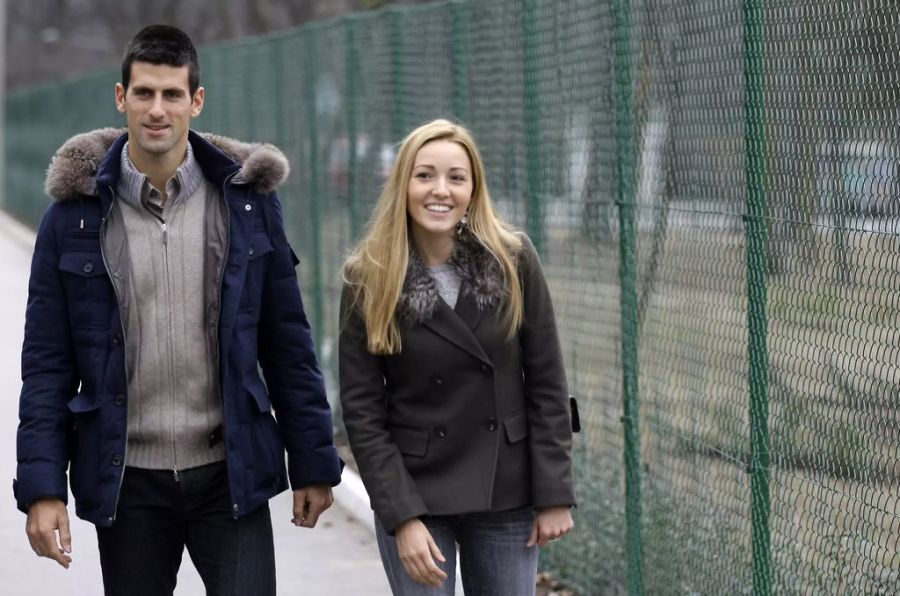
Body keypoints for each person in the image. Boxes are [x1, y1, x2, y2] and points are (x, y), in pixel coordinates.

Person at [14, 25, 342, 596]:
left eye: (171, 94)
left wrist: (312, 460)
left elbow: (287, 342)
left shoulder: (248, 206)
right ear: (121, 99)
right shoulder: (73, 219)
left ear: (197, 100)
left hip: (228, 474)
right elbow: (46, 364)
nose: (157, 109)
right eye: (143, 93)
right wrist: (43, 488)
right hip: (128, 481)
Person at [339, 119, 576, 595]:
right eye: (424, 175)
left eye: (456, 177)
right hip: (416, 492)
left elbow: (548, 383)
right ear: (402, 184)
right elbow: (363, 413)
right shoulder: (370, 276)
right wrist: (402, 517)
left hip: (506, 489)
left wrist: (554, 495)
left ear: (473, 188)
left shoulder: (514, 259)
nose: (440, 190)